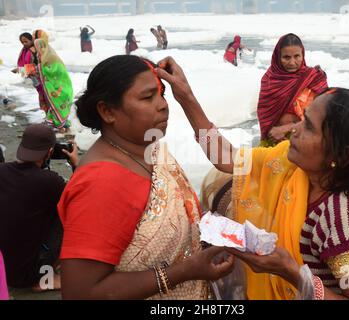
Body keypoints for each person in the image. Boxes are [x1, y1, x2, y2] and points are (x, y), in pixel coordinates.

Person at [155, 56, 349, 300]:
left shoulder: (345, 217)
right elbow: (224, 156)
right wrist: (186, 97)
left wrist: (291, 272)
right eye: (302, 119)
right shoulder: (289, 165)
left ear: (342, 156)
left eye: (309, 127)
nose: (295, 129)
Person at [57, 55, 234, 300]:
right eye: (147, 97)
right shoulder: (102, 183)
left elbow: (228, 159)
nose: (163, 105)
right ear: (107, 111)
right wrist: (183, 271)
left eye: (162, 94)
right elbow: (81, 292)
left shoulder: (151, 151)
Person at [0, 124, 78, 291]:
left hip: (3, 268)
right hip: (26, 275)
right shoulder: (50, 181)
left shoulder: (2, 171)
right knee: (69, 213)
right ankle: (43, 277)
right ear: (50, 152)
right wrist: (75, 166)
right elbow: (80, 199)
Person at [257, 33, 328, 146]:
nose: (292, 62)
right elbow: (266, 117)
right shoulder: (269, 80)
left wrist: (287, 128)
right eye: (286, 57)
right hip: (274, 141)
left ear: (302, 55)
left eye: (297, 56)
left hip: (306, 143)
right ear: (278, 57)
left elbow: (323, 116)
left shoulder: (314, 78)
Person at [32, 32, 74, 132]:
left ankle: (60, 125)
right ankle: (58, 123)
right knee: (53, 105)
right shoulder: (42, 55)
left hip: (58, 86)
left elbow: (54, 70)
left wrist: (37, 69)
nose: (36, 49)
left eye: (37, 46)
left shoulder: (51, 56)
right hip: (50, 86)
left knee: (57, 105)